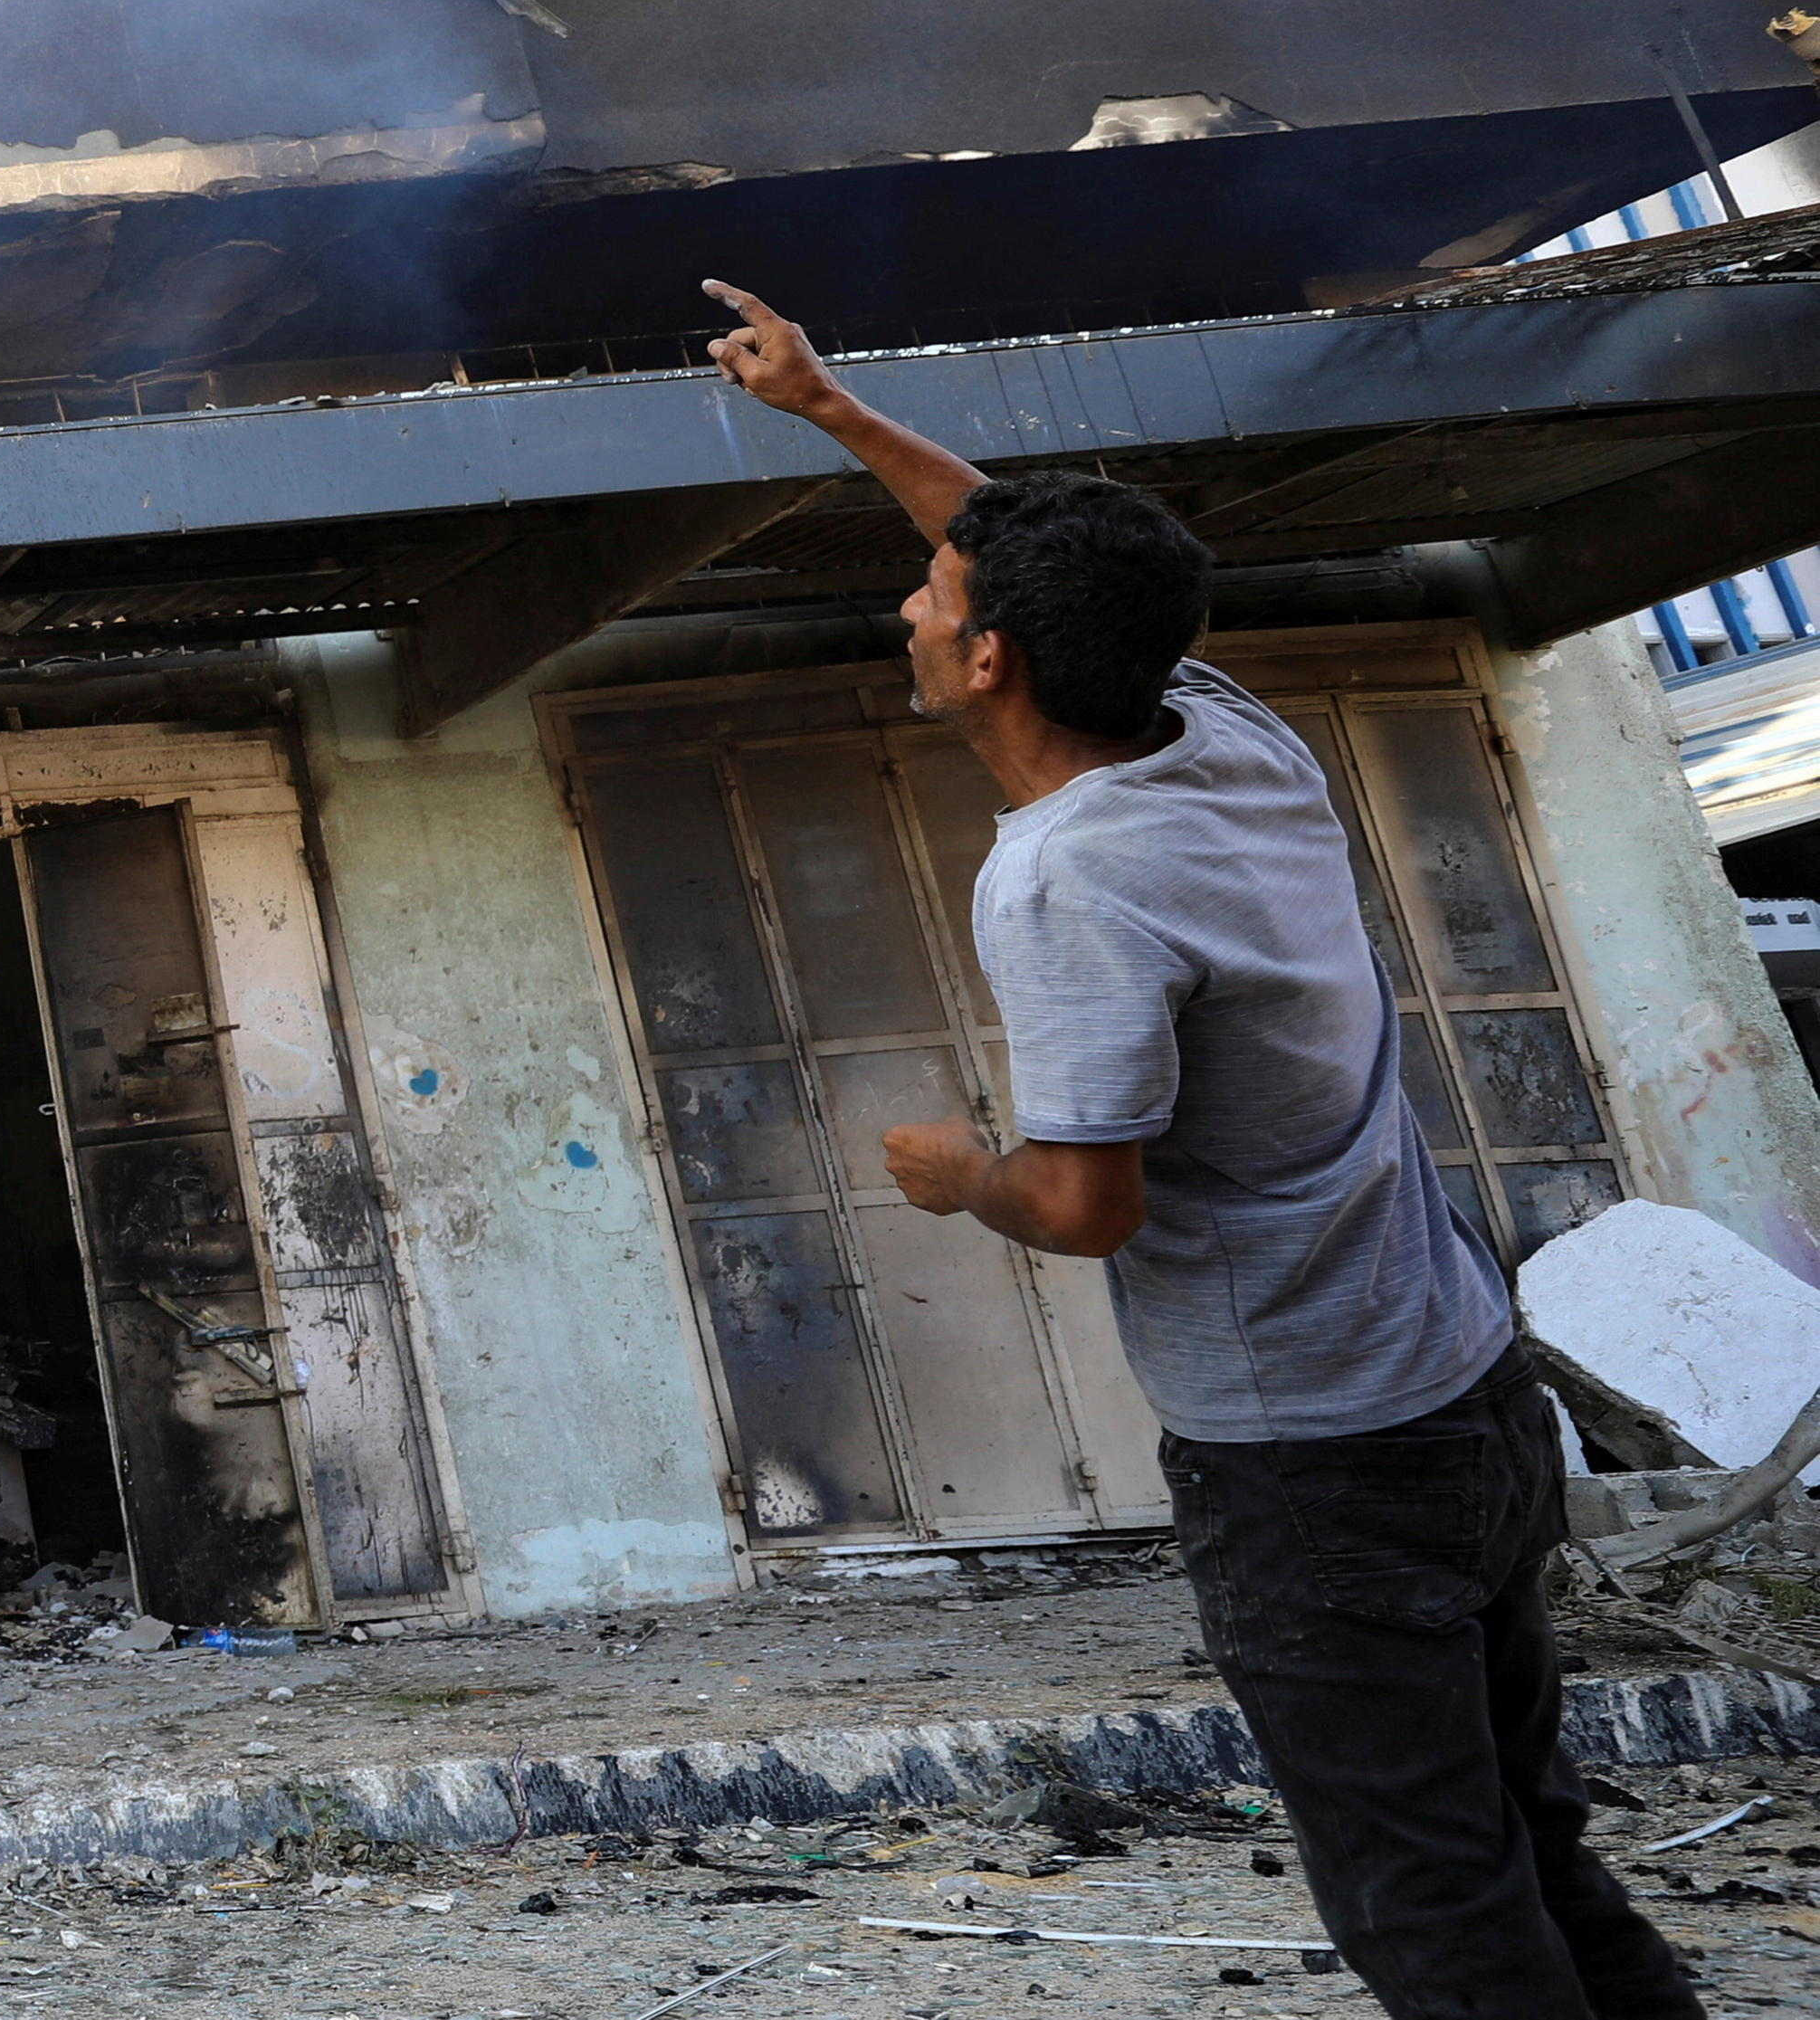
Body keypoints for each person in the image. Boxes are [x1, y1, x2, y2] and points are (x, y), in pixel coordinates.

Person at [700, 281, 1697, 2020]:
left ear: (990, 656)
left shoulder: (1070, 878)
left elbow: (1090, 1201)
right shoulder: (1224, 736)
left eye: (935, 595)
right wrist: (835, 412)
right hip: (1465, 1385)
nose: (911, 599)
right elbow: (1021, 550)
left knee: (1433, 1906)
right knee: (1524, 1840)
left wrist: (959, 1172)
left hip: (1321, 1456)